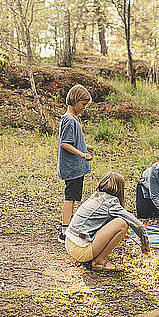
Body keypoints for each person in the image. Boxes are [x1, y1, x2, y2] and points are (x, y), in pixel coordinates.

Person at [65, 172, 150, 271]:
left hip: (69, 243)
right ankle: (99, 261)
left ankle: (94, 258)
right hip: (80, 250)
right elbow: (137, 224)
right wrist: (145, 243)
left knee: (119, 223)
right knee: (122, 224)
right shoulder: (110, 203)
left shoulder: (96, 196)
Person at [57, 84, 93, 243]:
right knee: (70, 197)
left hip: (76, 168)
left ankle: (70, 226)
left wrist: (85, 146)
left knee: (73, 197)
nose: (84, 108)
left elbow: (73, 141)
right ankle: (64, 231)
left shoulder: (72, 119)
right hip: (72, 168)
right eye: (83, 104)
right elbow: (65, 143)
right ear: (76, 100)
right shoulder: (69, 120)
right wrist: (82, 154)